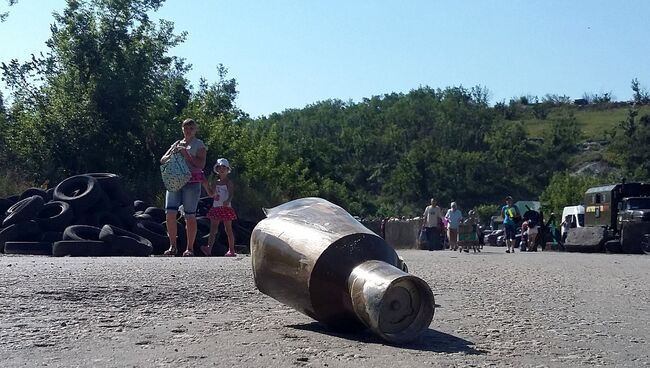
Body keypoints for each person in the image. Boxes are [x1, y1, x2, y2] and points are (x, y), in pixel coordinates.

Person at [160, 118, 207, 257]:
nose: (188, 130)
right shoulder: (176, 144)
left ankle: (190, 248)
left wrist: (187, 155)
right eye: (186, 128)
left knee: (190, 215)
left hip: (191, 182)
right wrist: (171, 155)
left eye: (191, 128)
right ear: (182, 129)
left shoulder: (199, 145)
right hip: (175, 181)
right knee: (170, 213)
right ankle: (172, 246)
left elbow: (201, 165)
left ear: (195, 130)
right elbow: (162, 159)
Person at [200, 158, 237, 257]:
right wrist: (206, 186)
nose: (221, 169)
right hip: (216, 207)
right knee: (213, 229)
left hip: (226, 208)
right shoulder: (216, 182)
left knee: (228, 229)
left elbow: (231, 194)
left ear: (227, 169)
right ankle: (209, 248)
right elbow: (212, 194)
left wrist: (228, 201)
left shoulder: (228, 182)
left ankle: (231, 249)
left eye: (224, 167)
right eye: (219, 167)